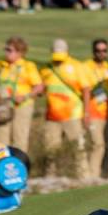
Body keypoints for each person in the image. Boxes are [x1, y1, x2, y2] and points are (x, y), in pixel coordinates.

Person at [41, 39, 89, 178]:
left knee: (78, 149)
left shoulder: (77, 66)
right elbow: (42, 89)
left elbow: (86, 89)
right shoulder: (46, 69)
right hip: (52, 117)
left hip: (72, 116)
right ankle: (50, 178)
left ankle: (83, 177)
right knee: (50, 150)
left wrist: (86, 113)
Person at [0, 36, 42, 153]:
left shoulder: (28, 66)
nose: (6, 53)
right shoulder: (2, 66)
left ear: (20, 52)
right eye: (6, 49)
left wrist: (25, 97)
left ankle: (18, 167)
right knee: (0, 137)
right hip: (3, 107)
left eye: (10, 50)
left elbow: (39, 87)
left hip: (21, 106)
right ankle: (1, 167)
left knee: (19, 139)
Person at [81, 39, 108, 180]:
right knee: (97, 144)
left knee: (107, 145)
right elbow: (86, 90)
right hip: (93, 113)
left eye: (104, 50)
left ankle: (104, 175)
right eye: (98, 50)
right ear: (93, 51)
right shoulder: (86, 66)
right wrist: (86, 112)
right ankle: (92, 176)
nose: (101, 53)